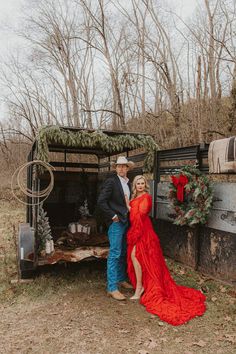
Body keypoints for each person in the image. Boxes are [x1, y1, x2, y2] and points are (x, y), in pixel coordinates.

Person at [125, 175, 206, 326]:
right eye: (138, 183)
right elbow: (133, 214)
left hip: (144, 231)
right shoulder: (135, 197)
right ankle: (140, 286)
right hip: (137, 231)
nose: (141, 185)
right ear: (135, 186)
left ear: (145, 185)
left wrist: (130, 207)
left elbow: (140, 214)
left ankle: (139, 289)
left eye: (143, 183)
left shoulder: (147, 198)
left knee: (138, 257)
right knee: (135, 257)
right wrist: (129, 205)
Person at [97, 156, 134, 301]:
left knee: (124, 251)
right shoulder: (111, 182)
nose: (121, 169)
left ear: (127, 168)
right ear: (115, 168)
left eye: (124, 166)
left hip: (126, 221)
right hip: (116, 223)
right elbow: (101, 201)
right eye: (119, 166)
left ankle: (121, 278)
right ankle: (112, 287)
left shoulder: (128, 183)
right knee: (115, 253)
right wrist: (112, 216)